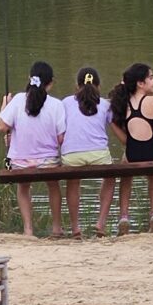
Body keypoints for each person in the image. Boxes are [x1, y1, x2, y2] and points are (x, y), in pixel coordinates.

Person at [0, 61, 69, 238]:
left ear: (29, 78)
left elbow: (2, 126)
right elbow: (61, 139)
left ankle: (28, 230)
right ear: (50, 83)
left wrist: (5, 104)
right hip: (48, 161)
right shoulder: (56, 105)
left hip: (20, 162)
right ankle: (56, 228)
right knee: (53, 185)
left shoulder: (17, 100)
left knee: (23, 187)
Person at [107, 62, 153, 233]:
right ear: (140, 83)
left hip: (132, 153)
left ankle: (124, 216)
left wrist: (114, 126)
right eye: (151, 78)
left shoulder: (123, 103)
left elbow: (125, 140)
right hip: (152, 153)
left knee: (126, 174)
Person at [60, 66, 115, 238]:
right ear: (98, 86)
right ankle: (101, 223)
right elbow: (114, 125)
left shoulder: (66, 102)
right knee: (110, 178)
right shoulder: (105, 104)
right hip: (98, 154)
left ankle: (75, 228)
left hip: (72, 155)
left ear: (77, 86)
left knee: (73, 182)